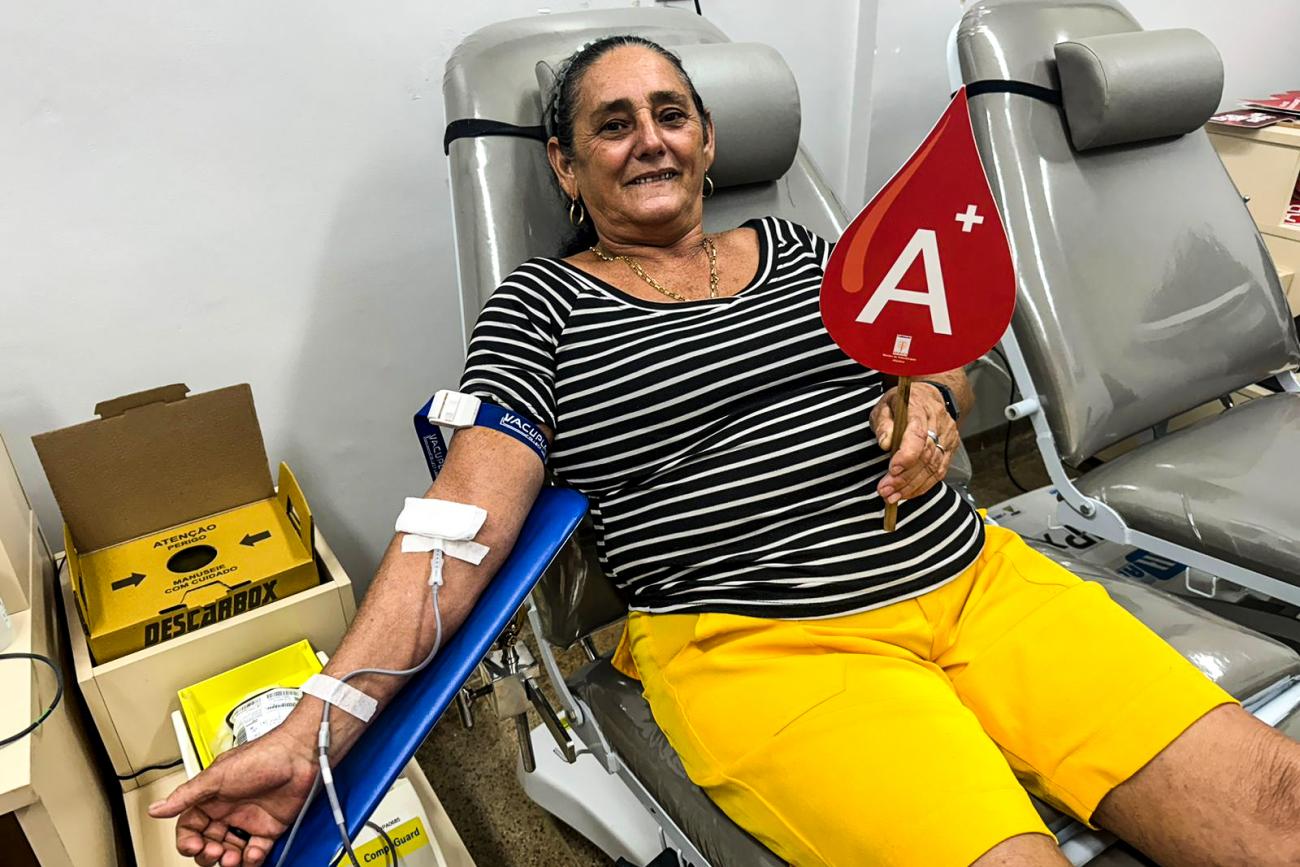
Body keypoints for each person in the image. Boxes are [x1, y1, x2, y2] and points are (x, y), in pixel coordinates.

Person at [150, 34, 1300, 867]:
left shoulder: (803, 244)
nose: (649, 138)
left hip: (979, 578)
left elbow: (940, 348)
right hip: (767, 647)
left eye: (670, 113)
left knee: (1274, 803)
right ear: (565, 167)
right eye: (612, 123)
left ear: (705, 142)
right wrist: (319, 725)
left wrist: (932, 399)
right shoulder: (540, 308)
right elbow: (463, 518)